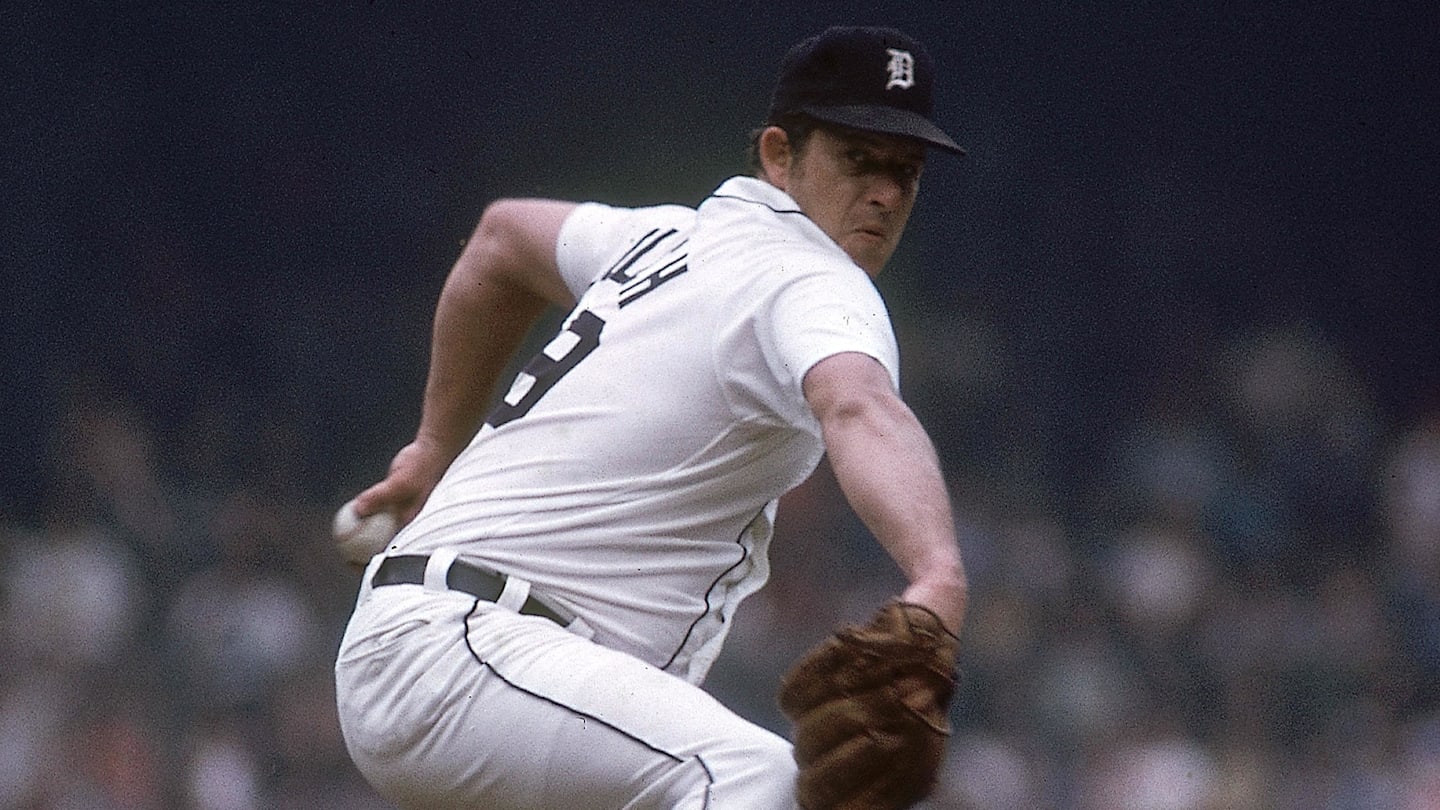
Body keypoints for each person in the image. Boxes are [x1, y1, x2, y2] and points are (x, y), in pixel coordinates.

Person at [334, 25, 968, 809]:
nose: (884, 192)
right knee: (750, 780)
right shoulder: (812, 277)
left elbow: (499, 241)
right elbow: (860, 404)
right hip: (474, 653)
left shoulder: (664, 238)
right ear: (779, 155)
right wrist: (936, 569)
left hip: (464, 662)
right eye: (858, 159)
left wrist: (434, 447)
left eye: (905, 173)